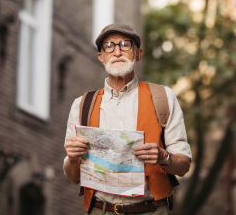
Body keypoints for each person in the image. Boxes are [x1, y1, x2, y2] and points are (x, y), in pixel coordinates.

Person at [63, 24, 191, 214]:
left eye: (125, 45)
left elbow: (184, 166)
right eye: (109, 46)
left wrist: (164, 157)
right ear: (101, 57)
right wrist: (73, 158)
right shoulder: (82, 105)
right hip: (100, 210)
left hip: (152, 211)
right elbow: (74, 177)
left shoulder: (163, 97)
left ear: (138, 54)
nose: (117, 51)